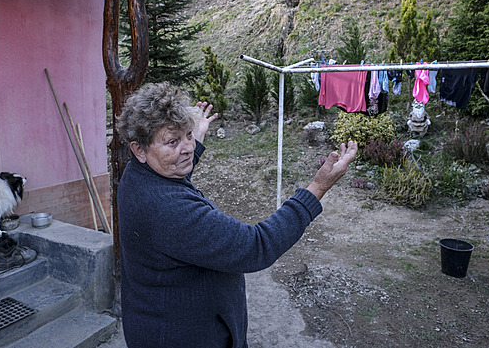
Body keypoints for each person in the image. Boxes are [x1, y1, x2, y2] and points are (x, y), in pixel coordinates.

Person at [116, 82, 358, 348]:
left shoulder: (138, 175)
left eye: (188, 134)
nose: (187, 147)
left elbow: (170, 177)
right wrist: (317, 188)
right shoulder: (167, 209)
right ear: (139, 149)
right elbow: (256, 246)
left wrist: (193, 141)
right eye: (173, 141)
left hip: (161, 325)